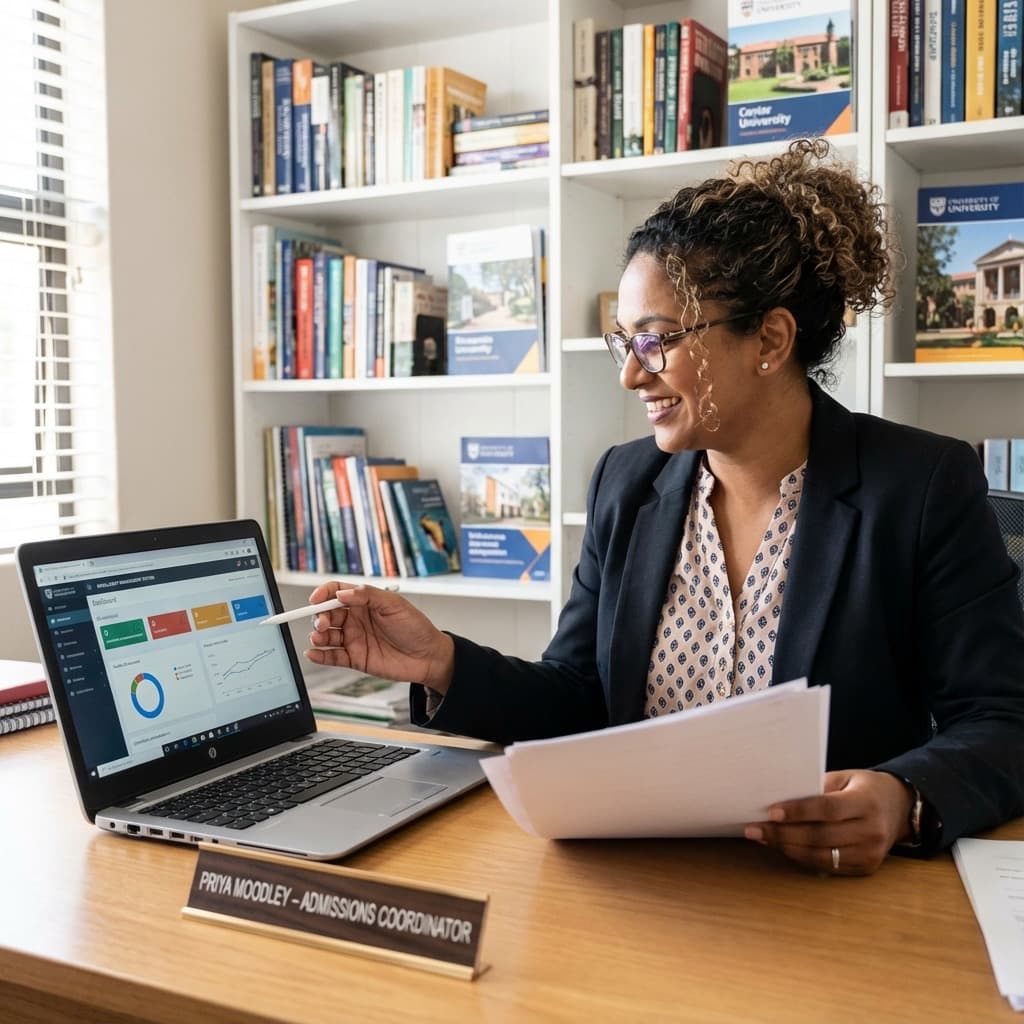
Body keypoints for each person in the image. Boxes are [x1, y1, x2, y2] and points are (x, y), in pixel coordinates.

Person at [305, 138, 1024, 876]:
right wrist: (442, 663)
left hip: (827, 900)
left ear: (770, 340)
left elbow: (1003, 722)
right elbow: (580, 698)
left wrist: (902, 798)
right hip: (641, 886)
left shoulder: (922, 484)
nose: (628, 374)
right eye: (624, 340)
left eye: (654, 340)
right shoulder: (627, 482)